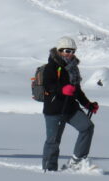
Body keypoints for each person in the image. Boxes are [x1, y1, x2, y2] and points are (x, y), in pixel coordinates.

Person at [41, 36, 99, 171]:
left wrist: (88, 104)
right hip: (54, 109)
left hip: (71, 108)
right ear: (59, 50)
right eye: (67, 50)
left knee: (87, 127)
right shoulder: (52, 66)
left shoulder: (73, 68)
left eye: (73, 51)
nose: (70, 54)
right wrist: (62, 89)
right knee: (53, 141)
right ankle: (49, 170)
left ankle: (77, 161)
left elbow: (77, 91)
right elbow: (47, 85)